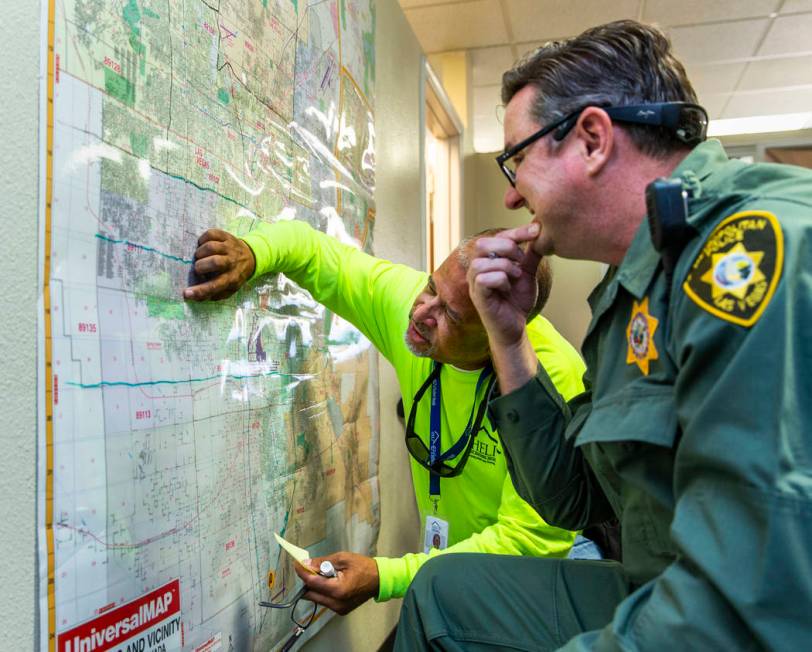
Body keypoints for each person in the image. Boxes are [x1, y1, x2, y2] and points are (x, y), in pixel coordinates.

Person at [394, 19, 812, 650]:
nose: (511, 200)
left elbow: (749, 595)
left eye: (516, 162)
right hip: (664, 580)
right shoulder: (634, 281)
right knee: (443, 590)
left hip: (744, 611)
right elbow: (573, 497)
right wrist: (508, 342)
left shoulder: (747, 252)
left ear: (591, 139)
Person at [183, 218, 586, 615]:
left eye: (452, 317)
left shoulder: (551, 380)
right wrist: (253, 253)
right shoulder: (415, 305)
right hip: (457, 567)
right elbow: (317, 255)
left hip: (541, 579)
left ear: (499, 331)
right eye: (431, 287)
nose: (421, 313)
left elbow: (531, 542)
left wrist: (385, 577)